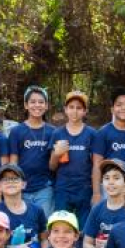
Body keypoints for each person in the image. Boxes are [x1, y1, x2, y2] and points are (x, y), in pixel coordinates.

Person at [49, 90, 96, 226]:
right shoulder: (57, 133)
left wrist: (95, 190)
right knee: (62, 224)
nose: (74, 111)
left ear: (85, 111)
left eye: (79, 108)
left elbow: (95, 163)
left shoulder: (91, 134)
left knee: (83, 226)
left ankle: (81, 247)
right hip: (63, 187)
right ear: (65, 109)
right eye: (71, 107)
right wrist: (56, 154)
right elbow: (52, 167)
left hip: (84, 187)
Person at [8, 86, 56, 217]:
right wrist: (13, 186)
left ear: (46, 106)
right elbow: (13, 161)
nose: (37, 105)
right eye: (33, 102)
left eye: (41, 102)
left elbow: (54, 164)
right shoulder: (16, 131)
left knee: (44, 226)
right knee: (23, 226)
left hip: (45, 188)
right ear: (26, 105)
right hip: (22, 188)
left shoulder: (53, 132)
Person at [82, 159, 125, 248]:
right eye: (107, 178)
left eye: (116, 178)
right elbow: (86, 244)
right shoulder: (97, 209)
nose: (111, 182)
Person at [0, 163, 48, 248]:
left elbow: (44, 239)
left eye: (14, 179)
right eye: (5, 179)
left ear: (23, 184)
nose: (10, 182)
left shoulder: (37, 210)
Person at [92, 87, 125, 203]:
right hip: (109, 186)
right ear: (112, 109)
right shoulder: (103, 133)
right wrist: (96, 193)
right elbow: (96, 165)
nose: (123, 108)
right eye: (119, 105)